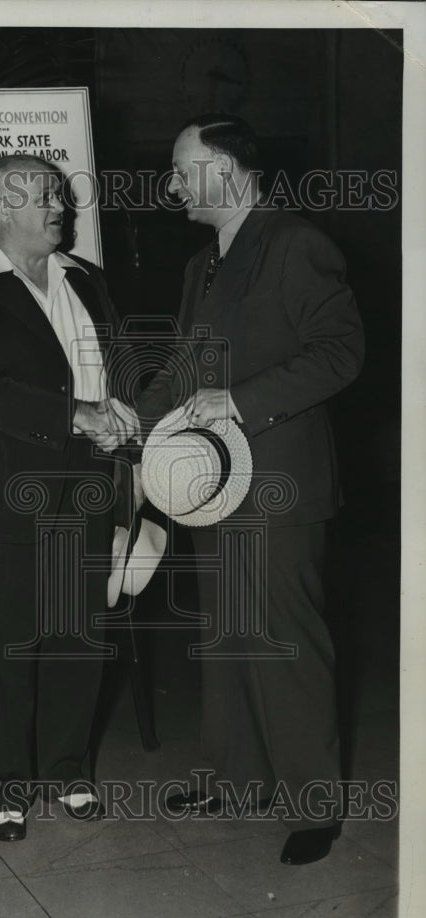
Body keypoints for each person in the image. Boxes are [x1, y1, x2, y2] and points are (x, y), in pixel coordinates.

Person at [136, 115, 364, 865]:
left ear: (227, 168)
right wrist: (129, 418)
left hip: (278, 482)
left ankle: (313, 802)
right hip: (216, 480)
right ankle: (234, 778)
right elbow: (182, 370)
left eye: (181, 167)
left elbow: (340, 353)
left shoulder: (295, 244)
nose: (171, 184)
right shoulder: (202, 264)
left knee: (287, 642)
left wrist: (240, 400)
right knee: (229, 633)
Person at [0, 154, 137, 842]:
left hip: (86, 485)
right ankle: (4, 786)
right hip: (2, 497)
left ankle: (68, 769)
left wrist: (122, 424)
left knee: (78, 635)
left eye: (57, 193)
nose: (60, 206)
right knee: (6, 643)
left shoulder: (87, 280)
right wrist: (79, 414)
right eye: (43, 196)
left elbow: (120, 368)